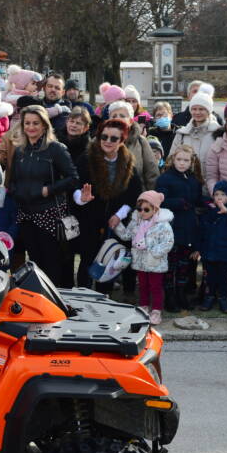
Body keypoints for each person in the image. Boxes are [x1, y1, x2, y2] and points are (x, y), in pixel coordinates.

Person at [4, 105, 79, 287]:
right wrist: (17, 192)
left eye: (35, 123)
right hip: (26, 214)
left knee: (52, 263)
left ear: (44, 125)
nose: (31, 127)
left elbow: (73, 178)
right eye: (27, 123)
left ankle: (55, 303)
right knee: (35, 263)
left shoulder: (55, 149)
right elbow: (12, 180)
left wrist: (48, 190)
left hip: (49, 215)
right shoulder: (20, 150)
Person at [72, 119, 142, 290]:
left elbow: (133, 195)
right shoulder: (86, 159)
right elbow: (73, 186)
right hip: (89, 219)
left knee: (109, 260)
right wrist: (82, 197)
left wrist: (119, 215)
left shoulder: (127, 163)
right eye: (104, 136)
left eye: (113, 138)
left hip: (115, 223)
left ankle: (105, 298)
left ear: (122, 141)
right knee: (87, 259)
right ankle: (83, 296)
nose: (108, 141)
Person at [156, 144, 203, 311]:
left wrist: (209, 202)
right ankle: (169, 296)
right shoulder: (165, 178)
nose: (182, 163)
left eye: (186, 160)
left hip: (189, 227)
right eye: (179, 159)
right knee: (170, 264)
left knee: (184, 264)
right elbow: (159, 200)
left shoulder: (193, 179)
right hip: (171, 227)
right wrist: (178, 203)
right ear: (173, 160)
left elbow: (197, 199)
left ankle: (181, 293)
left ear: (191, 162)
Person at [118, 190, 173, 325]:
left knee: (155, 287)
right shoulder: (136, 221)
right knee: (142, 286)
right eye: (139, 209)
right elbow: (126, 235)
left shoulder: (163, 224)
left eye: (146, 209)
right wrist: (117, 225)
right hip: (140, 261)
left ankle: (156, 310)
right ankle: (143, 307)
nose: (142, 212)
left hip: (155, 263)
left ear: (155, 209)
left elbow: (168, 242)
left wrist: (154, 253)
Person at [197, 180, 227, 313]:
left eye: (223, 194)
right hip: (209, 252)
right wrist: (200, 249)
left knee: (224, 278)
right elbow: (202, 231)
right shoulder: (209, 211)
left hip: (226, 252)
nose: (219, 197)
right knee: (209, 277)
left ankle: (224, 298)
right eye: (216, 194)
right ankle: (209, 297)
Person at [171, 90, 219, 167]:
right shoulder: (182, 134)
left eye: (201, 109)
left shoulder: (218, 133)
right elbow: (171, 159)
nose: (197, 112)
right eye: (194, 109)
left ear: (208, 110)